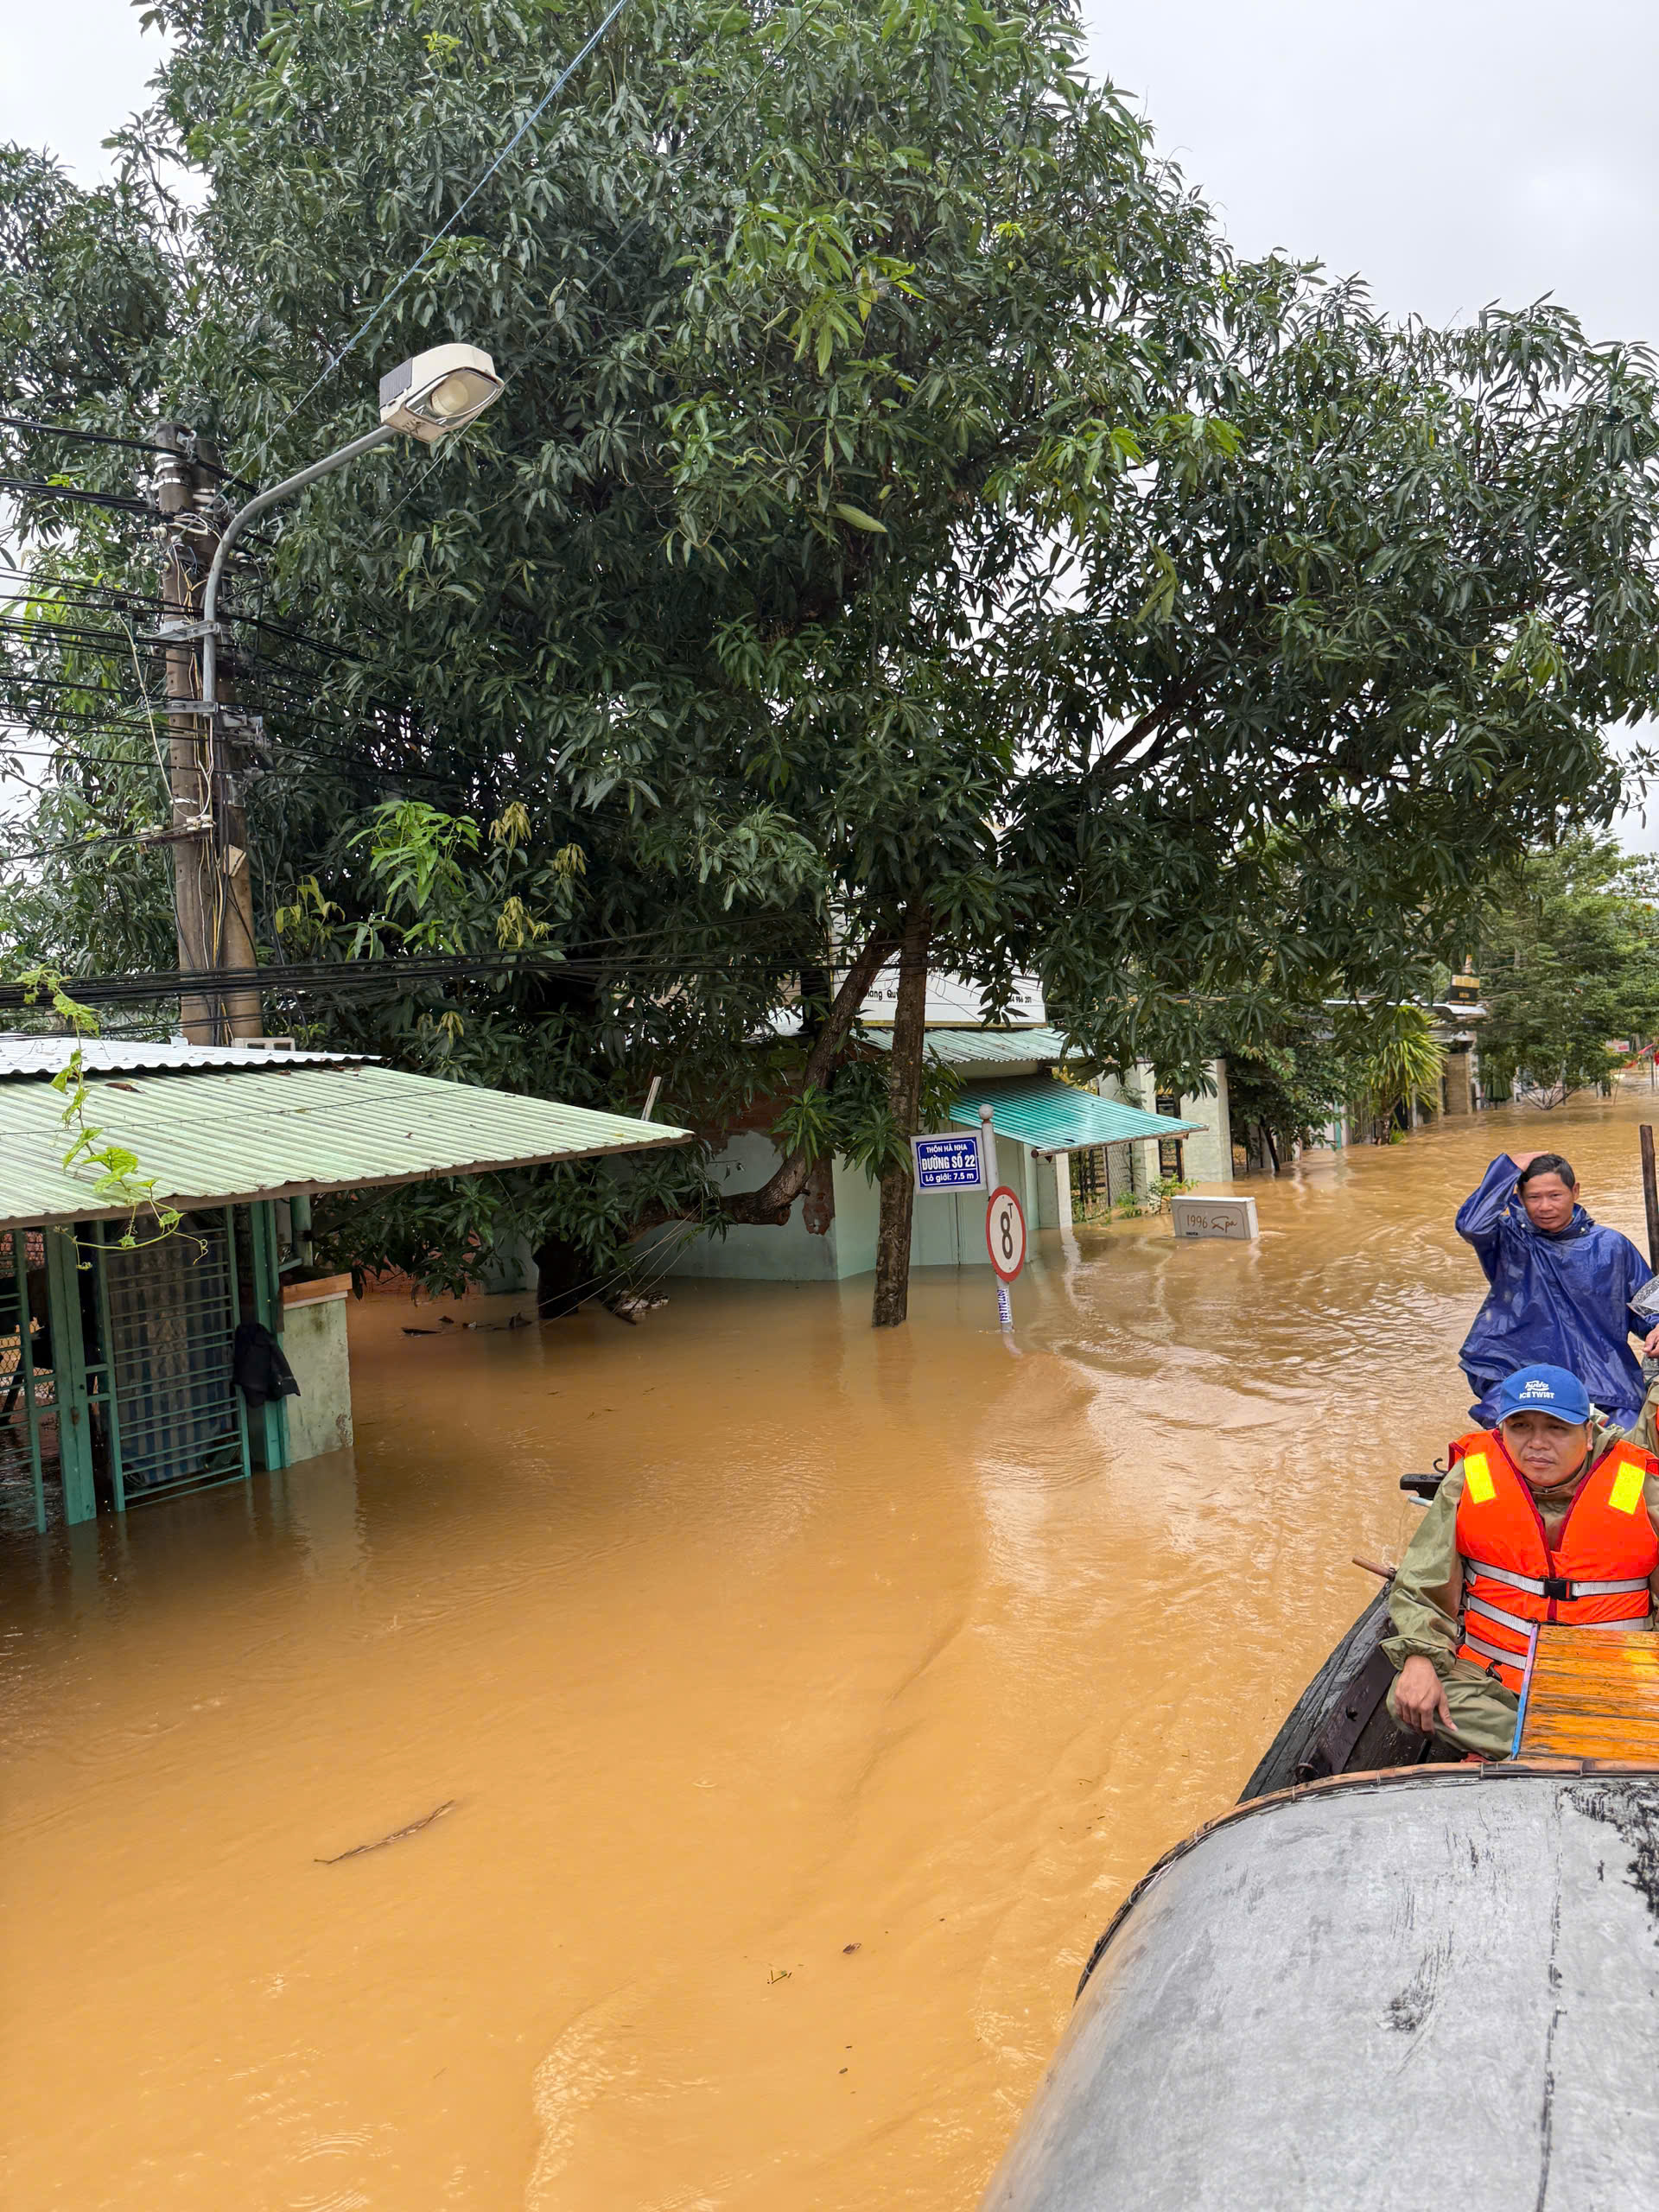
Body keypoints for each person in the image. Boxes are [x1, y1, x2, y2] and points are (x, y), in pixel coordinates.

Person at [1385, 1363, 1659, 1758]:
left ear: (1587, 1434)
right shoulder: (1472, 1476)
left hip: (1613, 1682)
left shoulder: (1638, 1483)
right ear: (1501, 1431)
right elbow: (1421, 1584)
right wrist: (1418, 1656)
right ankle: (1572, 1751)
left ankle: (1529, 1753)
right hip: (1495, 1684)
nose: (1537, 1444)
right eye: (1520, 1427)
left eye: (1556, 1428)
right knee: (1405, 1696)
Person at [1457, 1149, 1659, 1430]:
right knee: (1508, 1426)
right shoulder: (1507, 1239)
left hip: (1604, 1377)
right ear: (1518, 1198)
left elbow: (1648, 1307)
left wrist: (1657, 1326)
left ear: (1574, 1191)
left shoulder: (1613, 1246)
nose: (1545, 1207)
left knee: (1625, 1437)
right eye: (1534, 1197)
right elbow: (1471, 1224)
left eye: (1555, 1195)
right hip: (1516, 1369)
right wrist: (1507, 1168)